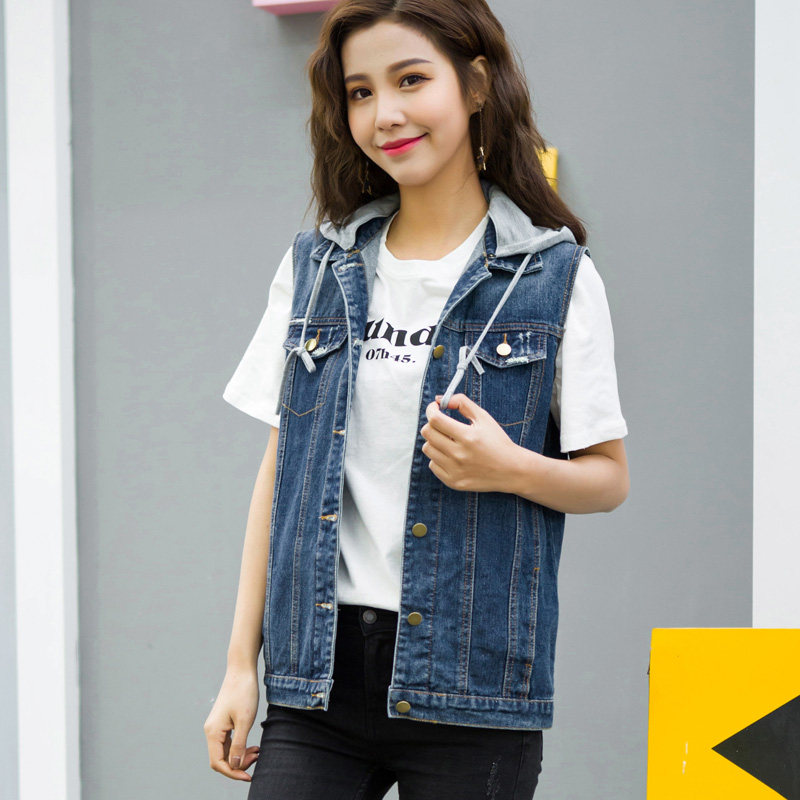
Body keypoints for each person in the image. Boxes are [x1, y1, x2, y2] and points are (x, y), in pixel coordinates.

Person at [204, 0, 630, 797]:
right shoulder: (317, 268)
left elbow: (608, 478)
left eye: (410, 80)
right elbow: (279, 478)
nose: (385, 114)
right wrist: (239, 667)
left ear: (476, 86)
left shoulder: (554, 276)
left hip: (471, 687)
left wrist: (510, 467)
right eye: (360, 92)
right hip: (317, 680)